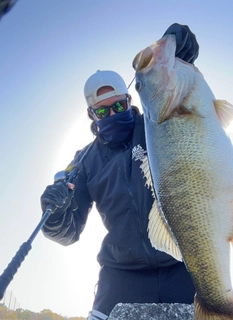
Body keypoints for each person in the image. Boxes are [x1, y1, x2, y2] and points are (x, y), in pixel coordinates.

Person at [40, 23, 199, 320]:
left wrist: (181, 58)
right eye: (102, 111)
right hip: (121, 272)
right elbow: (69, 232)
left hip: (180, 261)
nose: (112, 114)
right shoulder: (84, 162)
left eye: (118, 106)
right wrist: (55, 215)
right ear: (91, 114)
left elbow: (179, 100)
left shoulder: (156, 126)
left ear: (129, 101)